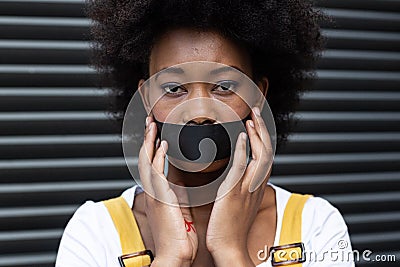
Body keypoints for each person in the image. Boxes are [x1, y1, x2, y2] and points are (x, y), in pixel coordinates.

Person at [56, 0, 354, 266]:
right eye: (173, 89)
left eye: (224, 87)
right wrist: (171, 256)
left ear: (257, 97)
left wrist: (231, 251)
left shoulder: (315, 225)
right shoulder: (96, 230)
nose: (199, 113)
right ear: (145, 99)